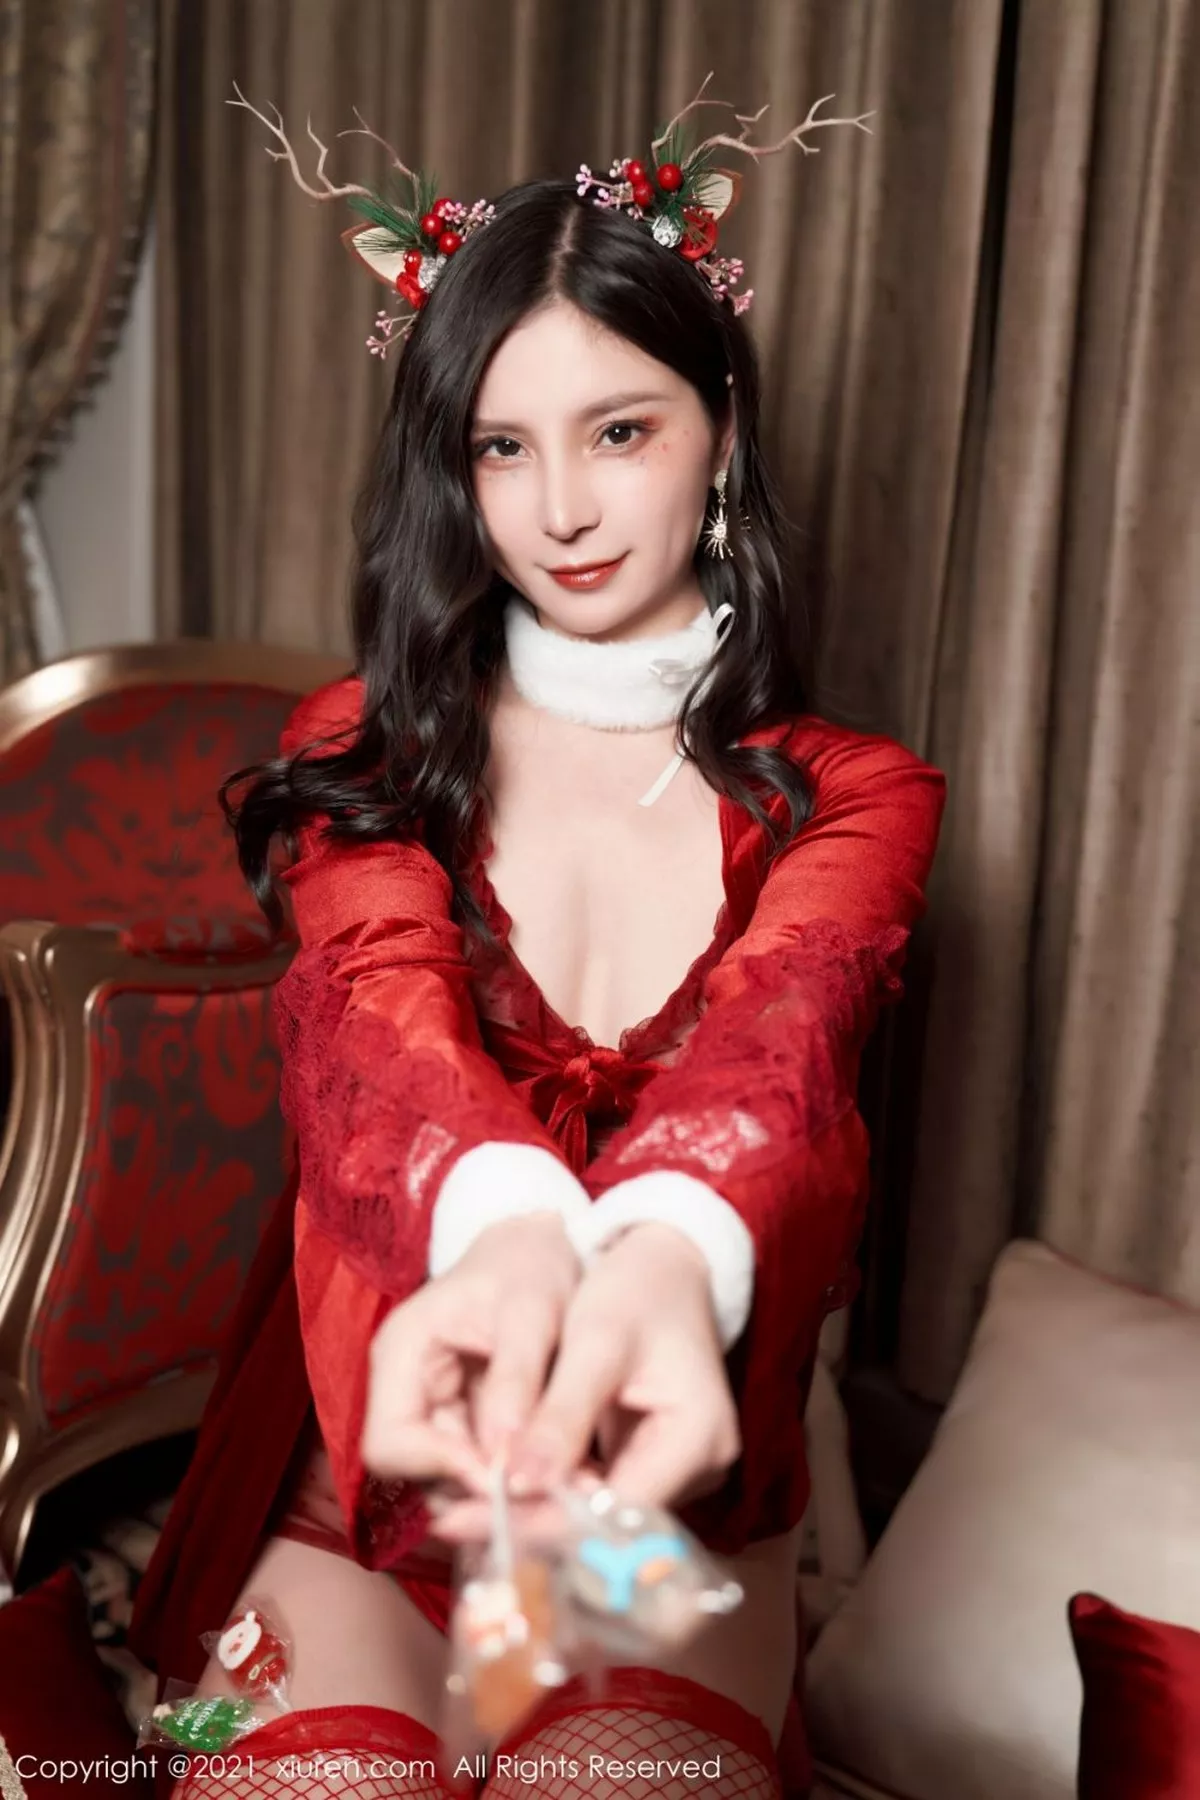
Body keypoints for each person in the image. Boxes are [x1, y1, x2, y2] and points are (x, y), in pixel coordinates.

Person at [130, 88, 946, 1800]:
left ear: (721, 427)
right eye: (501, 448)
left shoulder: (853, 795)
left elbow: (781, 1059)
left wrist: (654, 1258)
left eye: (618, 430)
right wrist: (502, 1235)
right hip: (370, 1473)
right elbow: (377, 1033)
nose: (560, 508)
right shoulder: (365, 748)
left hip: (663, 1503)